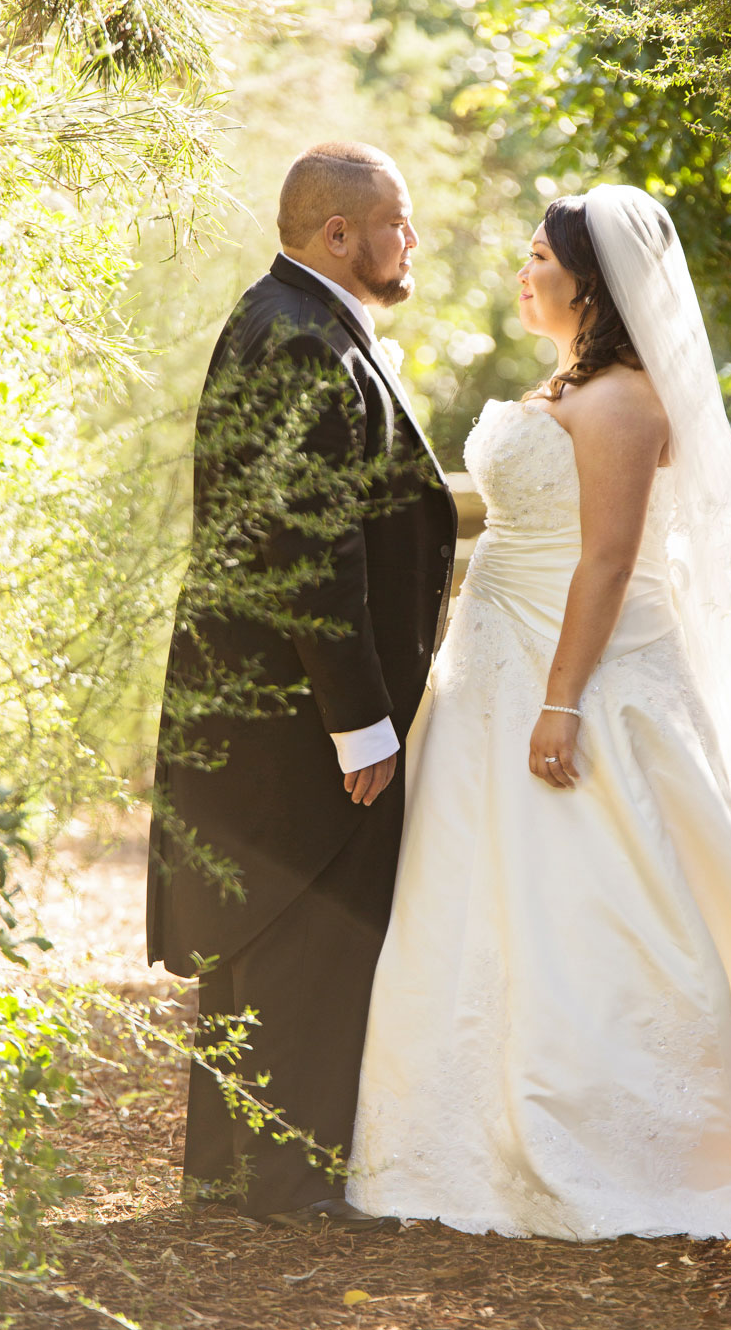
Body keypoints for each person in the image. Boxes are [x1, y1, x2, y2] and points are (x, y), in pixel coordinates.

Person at [347, 183, 731, 1246]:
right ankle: (450, 1135)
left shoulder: (621, 399)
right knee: (473, 897)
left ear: (588, 278)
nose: (521, 270)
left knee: (588, 895)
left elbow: (610, 560)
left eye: (537, 254)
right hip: (490, 668)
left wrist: (560, 702)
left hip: (569, 674)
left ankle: (625, 1148)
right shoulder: (566, 383)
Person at [146, 141, 456, 1229]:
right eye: (396, 223)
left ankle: (238, 1181)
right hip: (292, 715)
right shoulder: (296, 343)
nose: (409, 240)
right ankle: (281, 1189)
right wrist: (361, 722)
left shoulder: (295, 325)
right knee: (305, 933)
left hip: (269, 709)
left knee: (269, 937)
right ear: (339, 235)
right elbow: (303, 548)